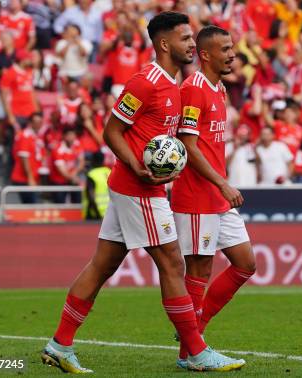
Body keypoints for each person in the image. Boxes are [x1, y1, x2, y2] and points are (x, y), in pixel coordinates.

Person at [40, 12, 243, 373]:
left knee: (103, 265)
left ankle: (59, 344)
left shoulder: (177, 83)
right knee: (172, 262)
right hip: (139, 187)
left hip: (135, 187)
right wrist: (136, 166)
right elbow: (112, 131)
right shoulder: (144, 82)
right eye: (185, 39)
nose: (192, 44)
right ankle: (194, 351)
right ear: (164, 44)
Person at [171, 25, 255, 370]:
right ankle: (193, 351)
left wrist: (221, 185)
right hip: (197, 197)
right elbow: (188, 145)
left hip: (217, 196)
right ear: (205, 54)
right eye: (225, 49)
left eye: (232, 47)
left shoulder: (218, 89)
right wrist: (222, 183)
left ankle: (193, 334)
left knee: (246, 263)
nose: (232, 54)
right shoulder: (193, 89)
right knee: (200, 270)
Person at [10, 112, 45, 203]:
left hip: (34, 177)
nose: (38, 125)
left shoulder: (37, 136)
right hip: (23, 179)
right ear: (30, 123)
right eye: (35, 122)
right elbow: (24, 158)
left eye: (40, 122)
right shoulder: (25, 136)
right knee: (31, 208)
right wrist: (30, 178)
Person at [49, 127, 84, 203]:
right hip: (59, 182)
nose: (71, 138)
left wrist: (74, 173)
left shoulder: (77, 144)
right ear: (64, 136)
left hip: (72, 179)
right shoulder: (58, 150)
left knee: (77, 202)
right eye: (69, 135)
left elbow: (81, 162)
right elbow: (62, 171)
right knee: (60, 205)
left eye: (73, 135)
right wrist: (74, 178)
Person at [82, 151, 110, 220]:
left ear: (93, 160)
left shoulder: (92, 174)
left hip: (95, 213)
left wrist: (98, 215)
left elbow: (91, 197)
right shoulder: (109, 172)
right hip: (109, 212)